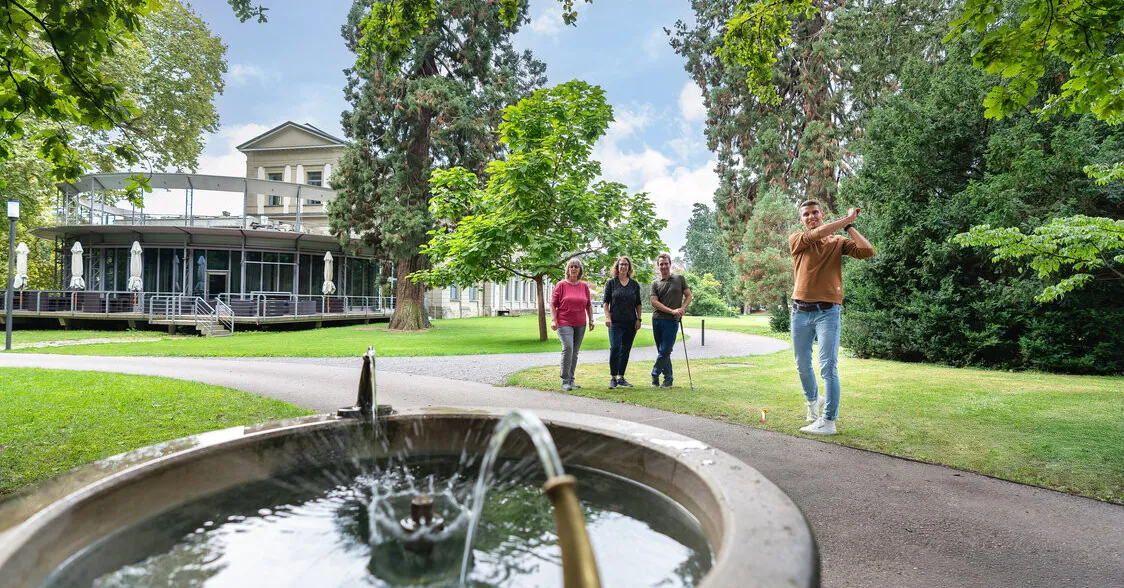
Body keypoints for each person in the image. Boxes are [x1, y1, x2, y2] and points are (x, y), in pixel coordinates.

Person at [789, 201, 875, 435]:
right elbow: (817, 234)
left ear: (822, 214)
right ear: (802, 220)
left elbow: (867, 251)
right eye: (805, 214)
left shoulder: (837, 242)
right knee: (802, 364)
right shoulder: (797, 239)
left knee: (828, 366)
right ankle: (813, 401)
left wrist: (849, 228)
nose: (810, 217)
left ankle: (828, 421)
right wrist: (846, 219)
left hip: (828, 312)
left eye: (814, 212)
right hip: (799, 312)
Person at [551, 258, 594, 391]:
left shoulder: (584, 286)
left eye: (576, 267)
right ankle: (564, 380)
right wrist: (553, 319)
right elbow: (553, 303)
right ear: (568, 269)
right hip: (564, 321)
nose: (574, 269)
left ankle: (571, 379)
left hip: (580, 323)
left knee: (574, 352)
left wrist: (591, 320)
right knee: (568, 348)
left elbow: (588, 305)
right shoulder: (561, 285)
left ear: (580, 270)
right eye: (571, 266)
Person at [649, 253, 692, 387]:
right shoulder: (655, 283)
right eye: (661, 264)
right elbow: (654, 302)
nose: (664, 266)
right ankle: (668, 379)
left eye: (666, 263)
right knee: (662, 350)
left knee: (666, 350)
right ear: (658, 266)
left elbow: (689, 296)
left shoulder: (679, 279)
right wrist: (672, 310)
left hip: (672, 321)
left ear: (670, 263)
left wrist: (682, 308)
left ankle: (655, 373)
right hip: (657, 319)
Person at [603, 256, 643, 389]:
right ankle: (613, 377)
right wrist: (607, 317)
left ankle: (621, 377)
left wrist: (639, 318)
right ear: (617, 267)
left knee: (626, 349)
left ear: (629, 267)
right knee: (615, 348)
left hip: (630, 322)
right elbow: (605, 303)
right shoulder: (611, 283)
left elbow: (638, 303)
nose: (623, 267)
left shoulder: (634, 284)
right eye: (621, 264)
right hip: (615, 322)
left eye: (625, 264)